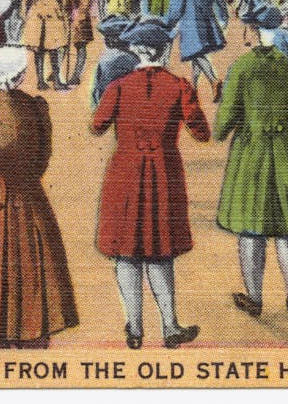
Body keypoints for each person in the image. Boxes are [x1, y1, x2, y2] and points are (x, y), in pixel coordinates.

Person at [0, 46, 78, 347]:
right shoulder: (35, 107)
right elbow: (43, 157)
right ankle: (30, 326)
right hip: (29, 195)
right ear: (21, 74)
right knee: (33, 265)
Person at [91, 21, 208, 349]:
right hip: (163, 172)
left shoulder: (118, 87)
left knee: (126, 252)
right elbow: (201, 131)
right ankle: (169, 326)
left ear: (136, 51)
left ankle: (136, 327)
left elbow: (98, 124)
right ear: (163, 51)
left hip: (125, 171)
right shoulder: (179, 86)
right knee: (160, 250)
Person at [215, 2, 288, 319]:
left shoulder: (243, 68)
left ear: (252, 30)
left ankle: (254, 296)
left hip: (252, 153)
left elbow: (222, 126)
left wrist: (228, 124)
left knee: (252, 227)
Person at [163, 0, 228, 101]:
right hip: (208, 25)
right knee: (197, 55)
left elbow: (176, 8)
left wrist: (168, 23)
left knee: (196, 54)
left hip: (191, 27)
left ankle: (213, 80)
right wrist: (224, 19)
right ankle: (194, 87)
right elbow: (220, 1)